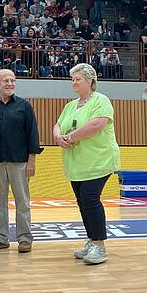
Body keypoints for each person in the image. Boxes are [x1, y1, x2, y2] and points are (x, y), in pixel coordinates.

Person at [52, 63, 119, 265]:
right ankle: (91, 240)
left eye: (78, 79)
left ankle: (100, 246)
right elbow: (57, 124)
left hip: (99, 159)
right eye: (72, 79)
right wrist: (57, 137)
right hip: (77, 162)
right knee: (82, 202)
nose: (74, 82)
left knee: (90, 199)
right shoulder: (71, 105)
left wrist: (70, 137)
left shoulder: (101, 100)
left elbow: (96, 124)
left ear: (90, 81)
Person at [0, 69, 41, 253]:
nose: (10, 84)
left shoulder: (24, 106)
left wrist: (32, 161)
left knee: (22, 201)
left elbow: (33, 135)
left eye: (12, 80)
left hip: (20, 162)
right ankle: (1, 237)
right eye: (5, 81)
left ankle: (24, 238)